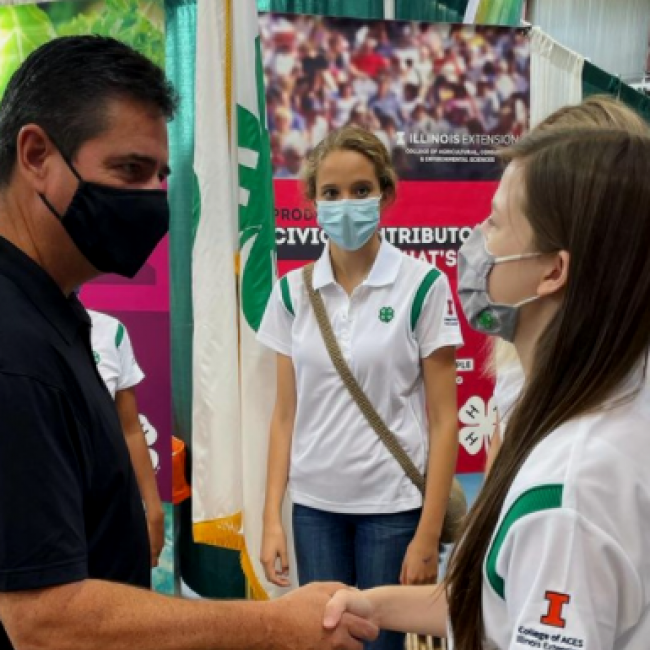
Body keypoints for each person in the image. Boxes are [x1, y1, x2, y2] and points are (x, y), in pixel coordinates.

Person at [0, 36, 376, 650]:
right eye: (129, 170)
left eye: (161, 174)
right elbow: (43, 619)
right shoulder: (13, 351)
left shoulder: (50, 308)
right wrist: (273, 626)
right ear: (37, 154)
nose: (153, 197)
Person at [323, 114, 650, 648]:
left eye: (495, 223)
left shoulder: (571, 495)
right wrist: (374, 604)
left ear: (552, 271)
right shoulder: (598, 402)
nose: (476, 242)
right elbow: (503, 600)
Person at [257, 125, 463, 650]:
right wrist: (271, 519)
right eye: (331, 193)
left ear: (384, 194)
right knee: (324, 640)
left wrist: (425, 533)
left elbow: (444, 422)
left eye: (359, 190)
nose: (345, 204)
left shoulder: (423, 286)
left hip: (392, 511)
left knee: (381, 644)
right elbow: (285, 415)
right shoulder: (291, 293)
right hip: (315, 509)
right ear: (312, 202)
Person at [484, 95, 649, 475]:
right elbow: (502, 441)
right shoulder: (524, 338)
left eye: (497, 222)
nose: (482, 238)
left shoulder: (585, 458)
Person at [86, 307, 165, 567]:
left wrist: (153, 507)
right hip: (32, 512)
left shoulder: (109, 331)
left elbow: (130, 429)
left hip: (104, 509)